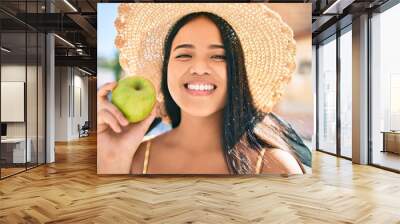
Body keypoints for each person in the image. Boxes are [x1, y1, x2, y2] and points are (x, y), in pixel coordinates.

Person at [97, 4, 311, 175]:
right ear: (165, 70)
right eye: (184, 54)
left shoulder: (275, 168)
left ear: (237, 72)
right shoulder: (135, 158)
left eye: (219, 56)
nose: (199, 67)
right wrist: (112, 160)